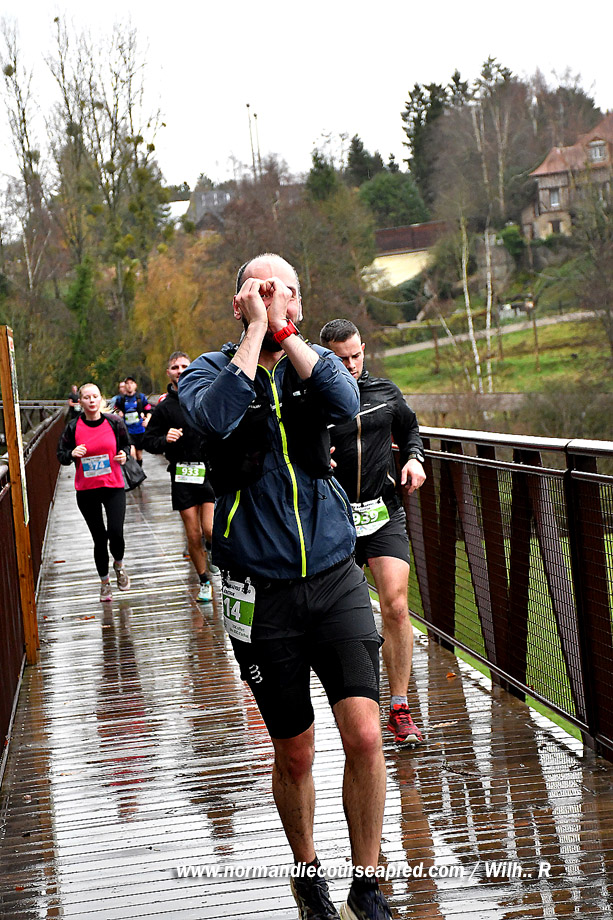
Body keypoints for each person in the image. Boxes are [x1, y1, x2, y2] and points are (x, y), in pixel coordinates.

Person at [179, 253, 394, 920]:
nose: (279, 301)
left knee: (364, 735)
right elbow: (211, 421)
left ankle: (367, 882)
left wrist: (285, 335)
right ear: (239, 302)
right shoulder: (212, 370)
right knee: (294, 751)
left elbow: (346, 403)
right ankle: (307, 872)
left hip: (333, 576)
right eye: (265, 292)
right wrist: (254, 333)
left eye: (290, 292)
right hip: (261, 589)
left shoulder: (313, 363)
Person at [320, 319, 426, 746]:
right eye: (340, 359)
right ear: (325, 357)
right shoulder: (314, 398)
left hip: (382, 511)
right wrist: (314, 459)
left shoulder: (385, 392)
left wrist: (414, 457)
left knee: (396, 607)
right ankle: (358, 710)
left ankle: (400, 708)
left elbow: (410, 428)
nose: (350, 365)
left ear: (363, 349)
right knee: (348, 620)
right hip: (333, 519)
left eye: (356, 355)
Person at [143, 351, 216, 604]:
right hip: (182, 474)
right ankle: (204, 581)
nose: (180, 370)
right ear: (168, 373)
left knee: (210, 529)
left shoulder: (204, 396)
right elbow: (148, 441)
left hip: (207, 471)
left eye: (185, 365)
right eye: (175, 367)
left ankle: (215, 555)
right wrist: (165, 439)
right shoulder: (164, 407)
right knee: (193, 535)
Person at [57, 383, 131, 602]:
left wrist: (124, 455)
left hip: (113, 486)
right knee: (99, 538)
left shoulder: (114, 422)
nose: (91, 400)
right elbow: (61, 455)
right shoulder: (73, 427)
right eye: (87, 397)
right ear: (80, 401)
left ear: (101, 399)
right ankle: (104, 583)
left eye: (95, 396)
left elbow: (126, 446)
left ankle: (119, 565)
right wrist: (72, 453)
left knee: (116, 532)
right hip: (87, 490)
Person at [115, 376, 152, 465]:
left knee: (139, 455)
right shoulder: (121, 399)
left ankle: (139, 469)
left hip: (139, 429)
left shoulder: (140, 397)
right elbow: (115, 409)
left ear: (135, 385)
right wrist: (119, 412)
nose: (129, 385)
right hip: (127, 430)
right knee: (132, 452)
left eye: (131, 383)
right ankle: (134, 470)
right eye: (127, 383)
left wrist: (147, 420)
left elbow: (149, 411)